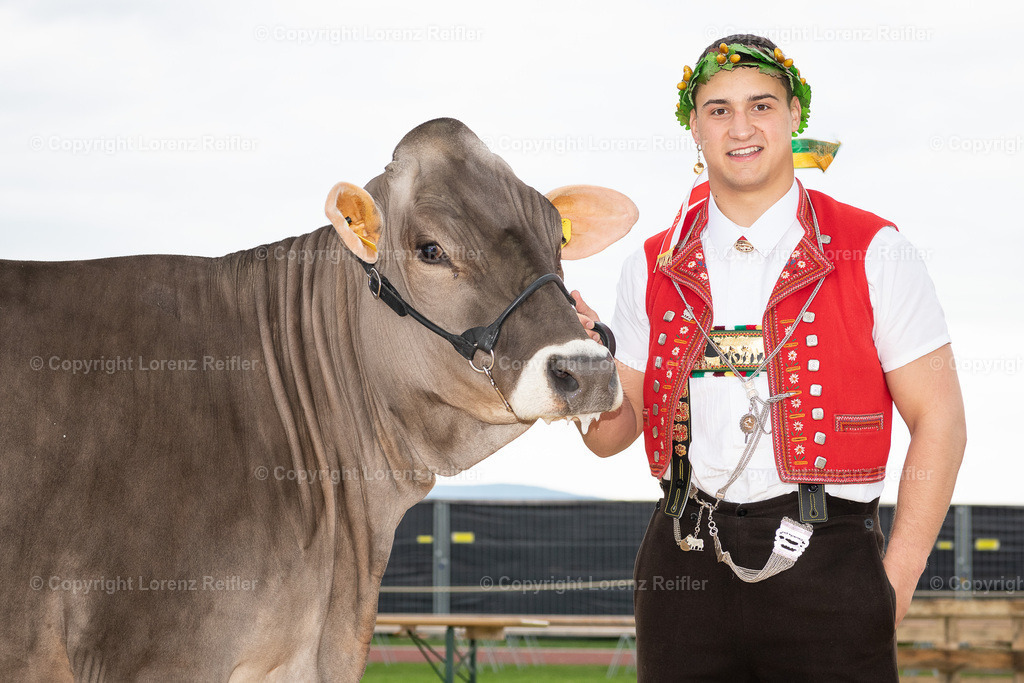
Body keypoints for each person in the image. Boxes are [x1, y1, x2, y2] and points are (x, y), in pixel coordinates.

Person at [574, 34, 966, 681]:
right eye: (719, 109)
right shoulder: (650, 265)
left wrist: (894, 579)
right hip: (685, 561)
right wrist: (583, 374)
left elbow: (942, 420)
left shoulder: (875, 249)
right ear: (694, 127)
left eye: (761, 105)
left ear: (793, 116)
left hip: (831, 565)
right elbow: (611, 435)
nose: (741, 126)